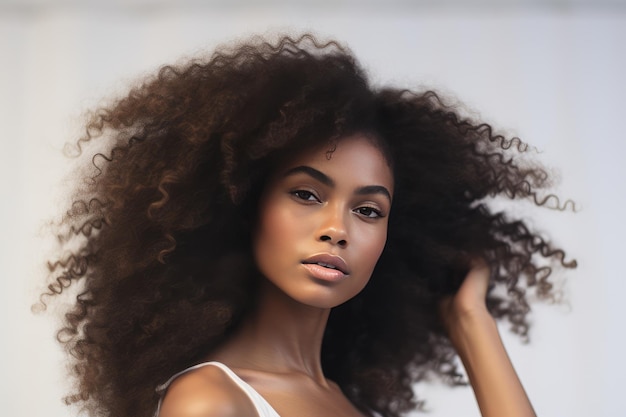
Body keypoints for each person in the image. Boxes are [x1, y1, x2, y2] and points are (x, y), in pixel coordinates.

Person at [42, 34, 576, 417]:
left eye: (368, 210)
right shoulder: (213, 401)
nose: (336, 228)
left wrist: (470, 322)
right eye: (306, 194)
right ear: (245, 207)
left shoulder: (350, 405)